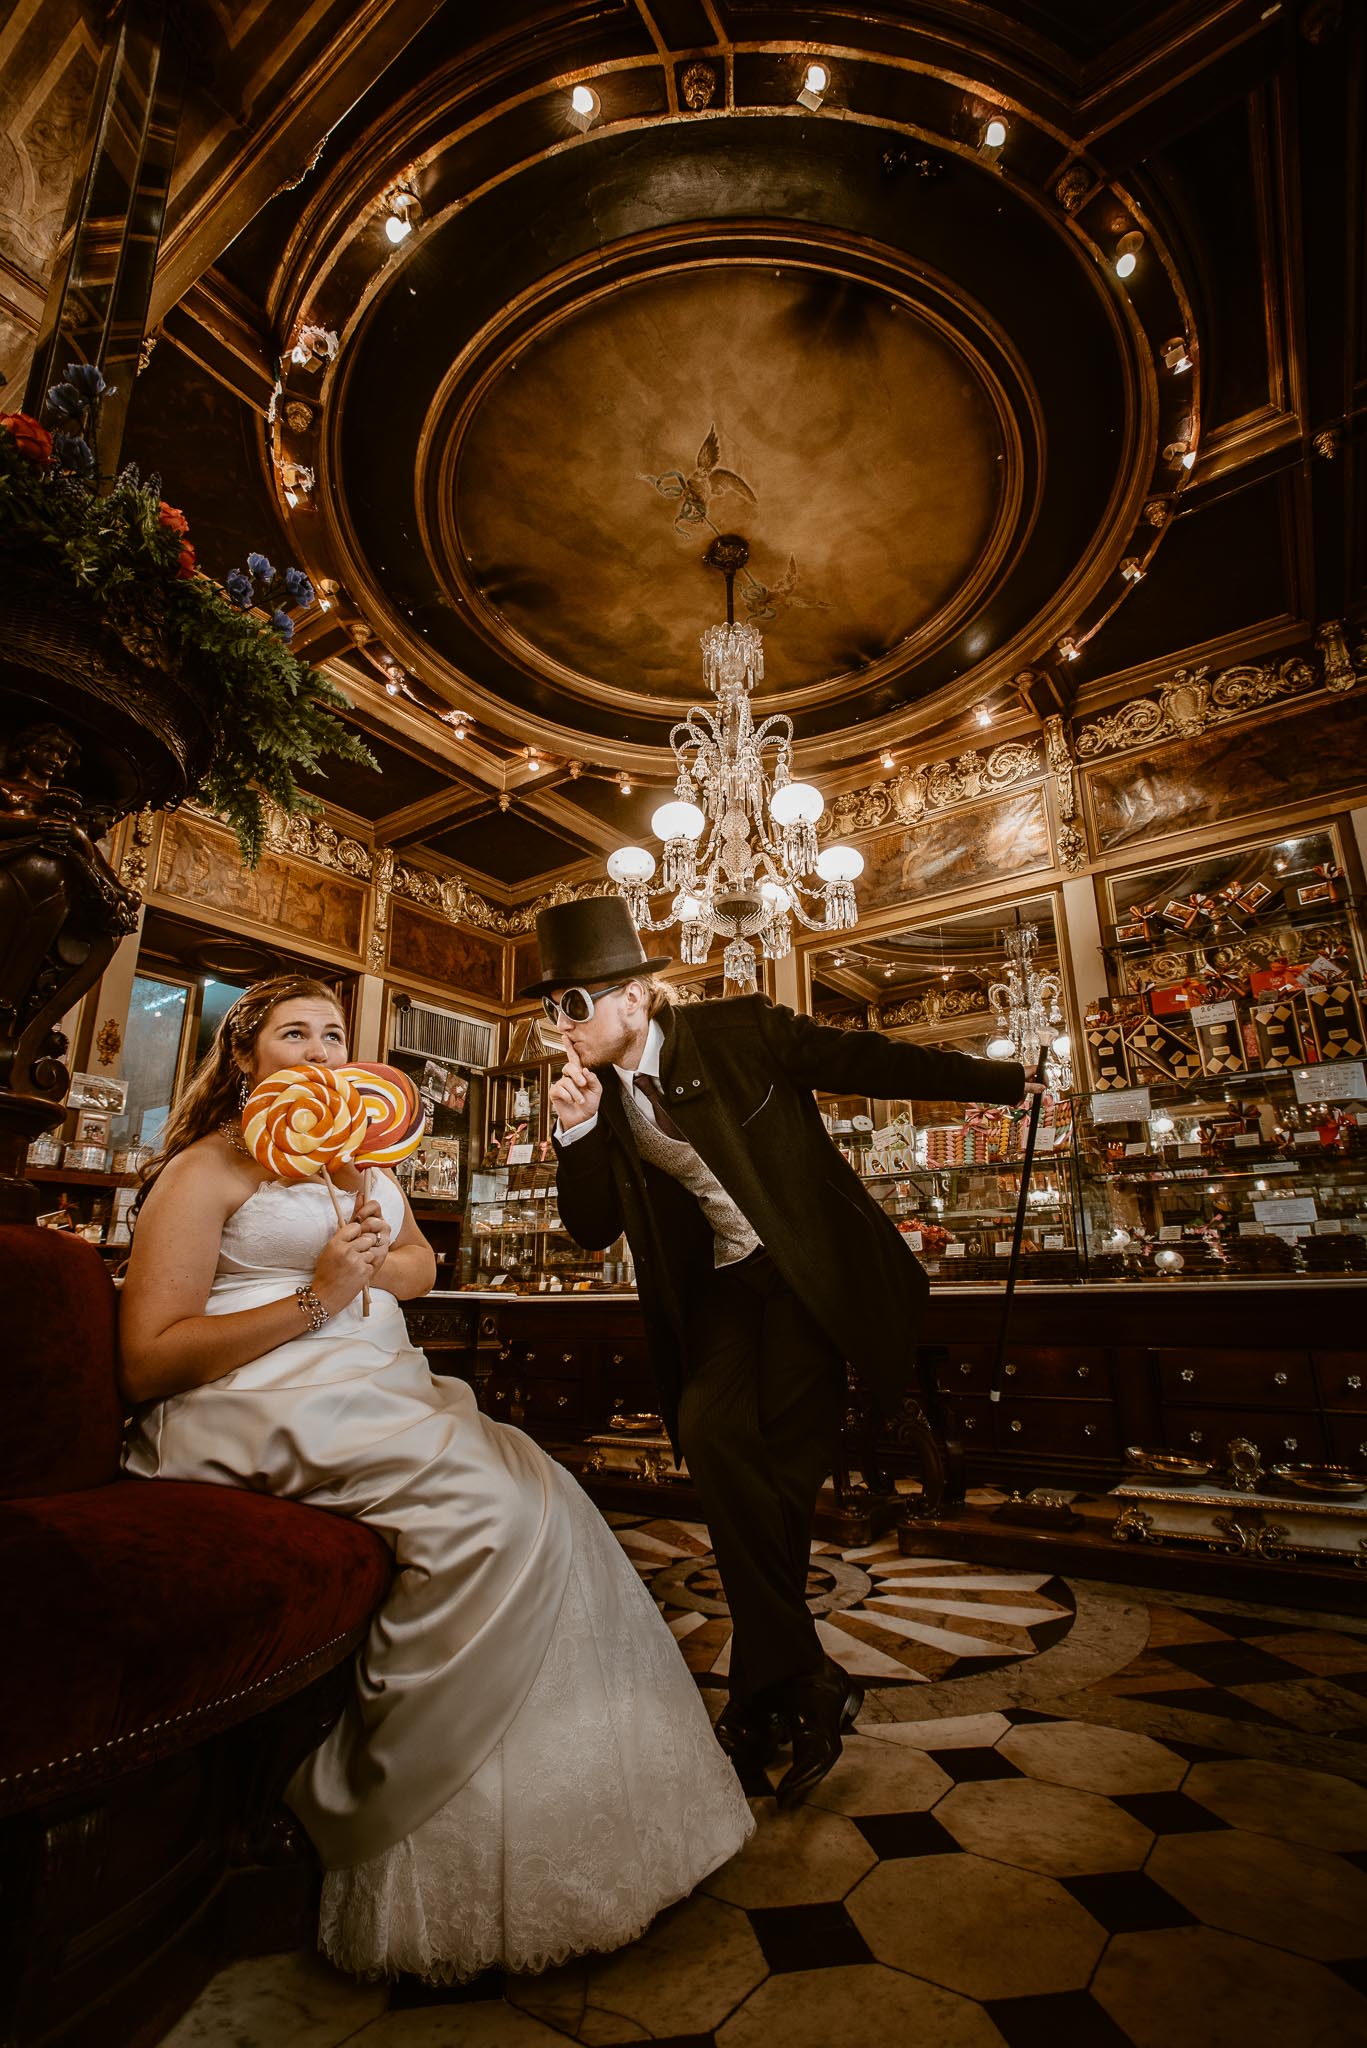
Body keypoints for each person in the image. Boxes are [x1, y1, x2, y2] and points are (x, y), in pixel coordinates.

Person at [119, 974, 751, 1983]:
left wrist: (368, 1256)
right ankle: (371, 1802)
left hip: (380, 1390)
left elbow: (416, 1267)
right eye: (293, 1034)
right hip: (258, 1399)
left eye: (334, 1032)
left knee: (550, 1494)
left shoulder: (361, 1158)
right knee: (497, 1511)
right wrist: (318, 1297)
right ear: (244, 1057)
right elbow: (149, 1359)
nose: (323, 1051)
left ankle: (565, 1819)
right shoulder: (209, 1170)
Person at [530, 898, 1036, 1807]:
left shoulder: (737, 1030)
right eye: (550, 1010)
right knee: (713, 1438)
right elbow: (590, 1226)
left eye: (572, 1004)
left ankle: (770, 1693)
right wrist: (572, 1129)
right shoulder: (596, 1098)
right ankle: (801, 1679)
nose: (558, 1028)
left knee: (785, 1465)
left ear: (634, 998)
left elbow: (865, 1059)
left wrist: (1004, 1083)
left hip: (811, 1274)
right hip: (725, 1286)